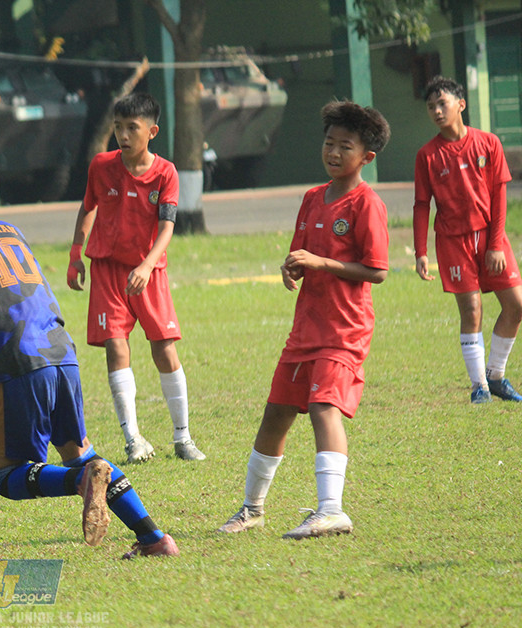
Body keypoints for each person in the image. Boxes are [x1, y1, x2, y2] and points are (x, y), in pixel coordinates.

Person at [0, 144, 178, 559]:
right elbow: (16, 289)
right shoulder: (7, 229)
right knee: (80, 453)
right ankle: (154, 538)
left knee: (7, 475)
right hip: (60, 352)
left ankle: (81, 484)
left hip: (18, 363)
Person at [217, 101, 391, 539]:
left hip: (343, 329)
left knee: (322, 408)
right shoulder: (313, 198)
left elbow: (377, 270)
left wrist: (322, 262)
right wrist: (293, 265)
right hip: (306, 328)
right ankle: (251, 509)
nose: (333, 152)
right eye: (329, 143)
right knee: (276, 413)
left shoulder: (366, 203)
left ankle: (331, 509)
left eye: (344, 146)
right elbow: (303, 253)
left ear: (365, 158)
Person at [67, 91, 204, 465]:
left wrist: (146, 265)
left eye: (132, 128)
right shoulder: (101, 165)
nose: (123, 136)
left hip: (149, 272)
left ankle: (182, 437)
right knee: (116, 345)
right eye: (118, 128)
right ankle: (133, 438)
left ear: (152, 131)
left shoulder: (166, 173)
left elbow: (167, 227)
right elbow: (88, 206)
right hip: (108, 271)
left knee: (164, 347)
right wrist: (75, 255)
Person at [413, 76, 522, 404]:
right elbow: (421, 205)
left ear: (461, 104)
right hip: (453, 242)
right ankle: (479, 387)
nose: (436, 110)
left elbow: (499, 195)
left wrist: (495, 244)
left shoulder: (488, 143)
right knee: (471, 308)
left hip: (490, 236)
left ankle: (496, 376)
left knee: (516, 305)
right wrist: (420, 252)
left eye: (441, 103)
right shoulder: (427, 155)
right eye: (430, 106)